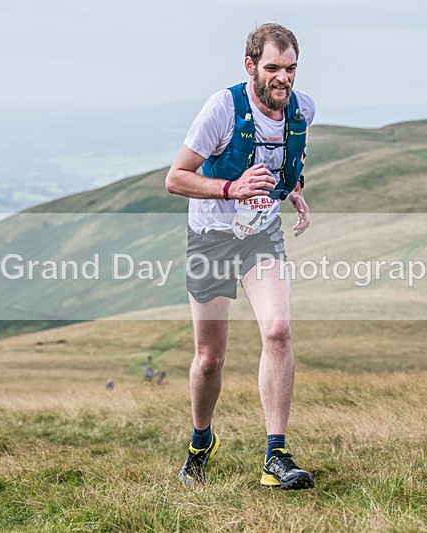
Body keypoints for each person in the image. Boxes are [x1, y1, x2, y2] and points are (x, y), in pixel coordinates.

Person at [165, 23, 315, 490]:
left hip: (260, 235)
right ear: (250, 66)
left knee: (278, 330)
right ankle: (200, 442)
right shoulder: (222, 109)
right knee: (210, 358)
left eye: (290, 69)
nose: (282, 79)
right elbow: (175, 177)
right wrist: (230, 188)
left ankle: (276, 455)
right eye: (272, 68)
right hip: (210, 236)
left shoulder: (303, 109)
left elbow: (287, 158)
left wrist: (294, 190)